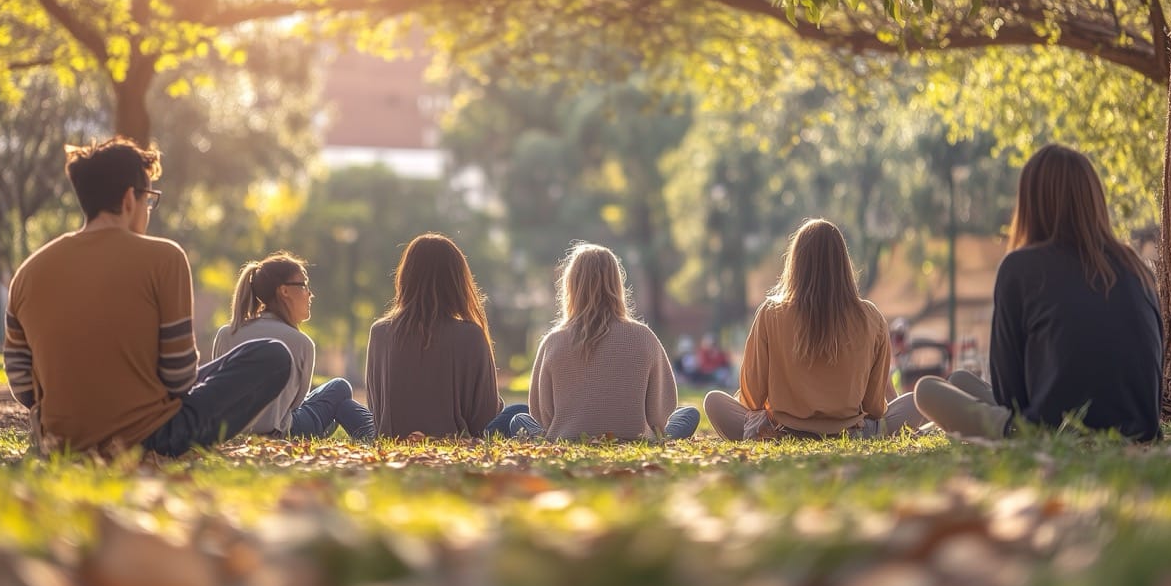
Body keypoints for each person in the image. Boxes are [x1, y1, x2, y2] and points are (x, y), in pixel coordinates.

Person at [3, 138, 291, 456]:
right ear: (130, 199)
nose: (148, 210)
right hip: (150, 437)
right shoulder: (164, 258)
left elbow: (20, 381)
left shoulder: (29, 271)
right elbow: (179, 379)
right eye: (149, 200)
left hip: (60, 440)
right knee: (273, 356)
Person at [914, 145, 1162, 442]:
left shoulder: (1021, 267)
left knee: (926, 391)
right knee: (959, 380)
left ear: (1031, 202)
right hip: (1140, 427)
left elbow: (1010, 397)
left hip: (1050, 432)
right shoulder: (1135, 266)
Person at [703, 219, 926, 440]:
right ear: (843, 263)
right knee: (916, 401)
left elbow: (751, 399)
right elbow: (875, 407)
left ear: (795, 262)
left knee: (714, 401)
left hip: (780, 433)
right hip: (852, 434)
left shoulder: (770, 313)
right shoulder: (870, 316)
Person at [498, 243, 700, 440]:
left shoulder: (553, 341)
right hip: (636, 437)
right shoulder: (644, 337)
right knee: (688, 413)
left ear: (571, 287)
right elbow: (660, 413)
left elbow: (541, 414)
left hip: (566, 437)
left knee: (519, 419)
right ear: (617, 284)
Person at [209, 252, 375, 440]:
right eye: (303, 285)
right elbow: (295, 404)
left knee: (338, 401)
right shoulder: (301, 342)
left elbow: (218, 390)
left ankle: (369, 431)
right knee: (340, 387)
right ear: (284, 291)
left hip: (231, 431)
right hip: (282, 432)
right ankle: (371, 434)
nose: (310, 294)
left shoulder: (226, 333)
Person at [364, 233, 505, 438]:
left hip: (393, 437)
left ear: (405, 277)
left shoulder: (380, 333)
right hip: (456, 438)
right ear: (457, 281)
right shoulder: (471, 335)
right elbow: (485, 417)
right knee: (518, 412)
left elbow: (375, 409)